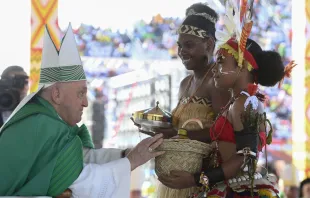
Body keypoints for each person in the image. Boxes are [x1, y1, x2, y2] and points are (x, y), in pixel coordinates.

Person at [0, 24, 164, 198]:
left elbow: (81, 159)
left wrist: (125, 155)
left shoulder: (44, 122)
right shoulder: (43, 126)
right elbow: (82, 182)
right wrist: (133, 160)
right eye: (81, 94)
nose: (86, 103)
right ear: (56, 94)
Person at [158, 1, 296, 197]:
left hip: (233, 189)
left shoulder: (244, 103)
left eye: (222, 61)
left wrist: (196, 179)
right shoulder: (239, 102)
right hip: (225, 185)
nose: (216, 68)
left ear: (241, 66)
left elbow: (246, 157)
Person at [152, 2, 230, 142]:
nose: (181, 52)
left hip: (209, 163)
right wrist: (154, 126)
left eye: (189, 45)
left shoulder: (217, 81)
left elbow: (223, 131)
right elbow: (178, 127)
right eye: (179, 46)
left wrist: (179, 134)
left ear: (209, 44)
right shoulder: (185, 83)